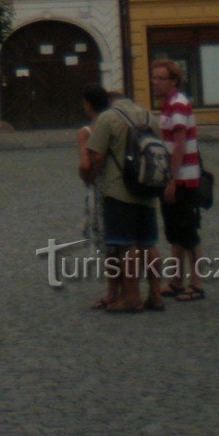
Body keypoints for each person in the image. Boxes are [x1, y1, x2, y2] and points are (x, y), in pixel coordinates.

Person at [84, 83, 162, 313]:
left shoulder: (108, 118)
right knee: (149, 244)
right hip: (147, 187)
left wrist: (92, 176)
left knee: (125, 246)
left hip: (119, 190)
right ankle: (156, 295)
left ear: (110, 102)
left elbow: (96, 156)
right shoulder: (150, 116)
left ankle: (132, 297)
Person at [151, 59, 204, 301]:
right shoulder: (168, 105)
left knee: (187, 231)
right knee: (175, 232)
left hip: (183, 179)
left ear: (174, 80)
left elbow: (180, 145)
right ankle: (176, 281)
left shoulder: (179, 105)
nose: (156, 82)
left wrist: (172, 180)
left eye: (161, 78)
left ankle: (196, 284)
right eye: (155, 77)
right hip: (174, 178)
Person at [76, 85, 117, 309]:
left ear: (88, 105)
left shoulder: (87, 131)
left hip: (100, 189)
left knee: (107, 241)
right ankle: (134, 289)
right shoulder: (115, 123)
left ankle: (112, 292)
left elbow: (85, 164)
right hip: (120, 186)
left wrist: (86, 177)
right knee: (124, 241)